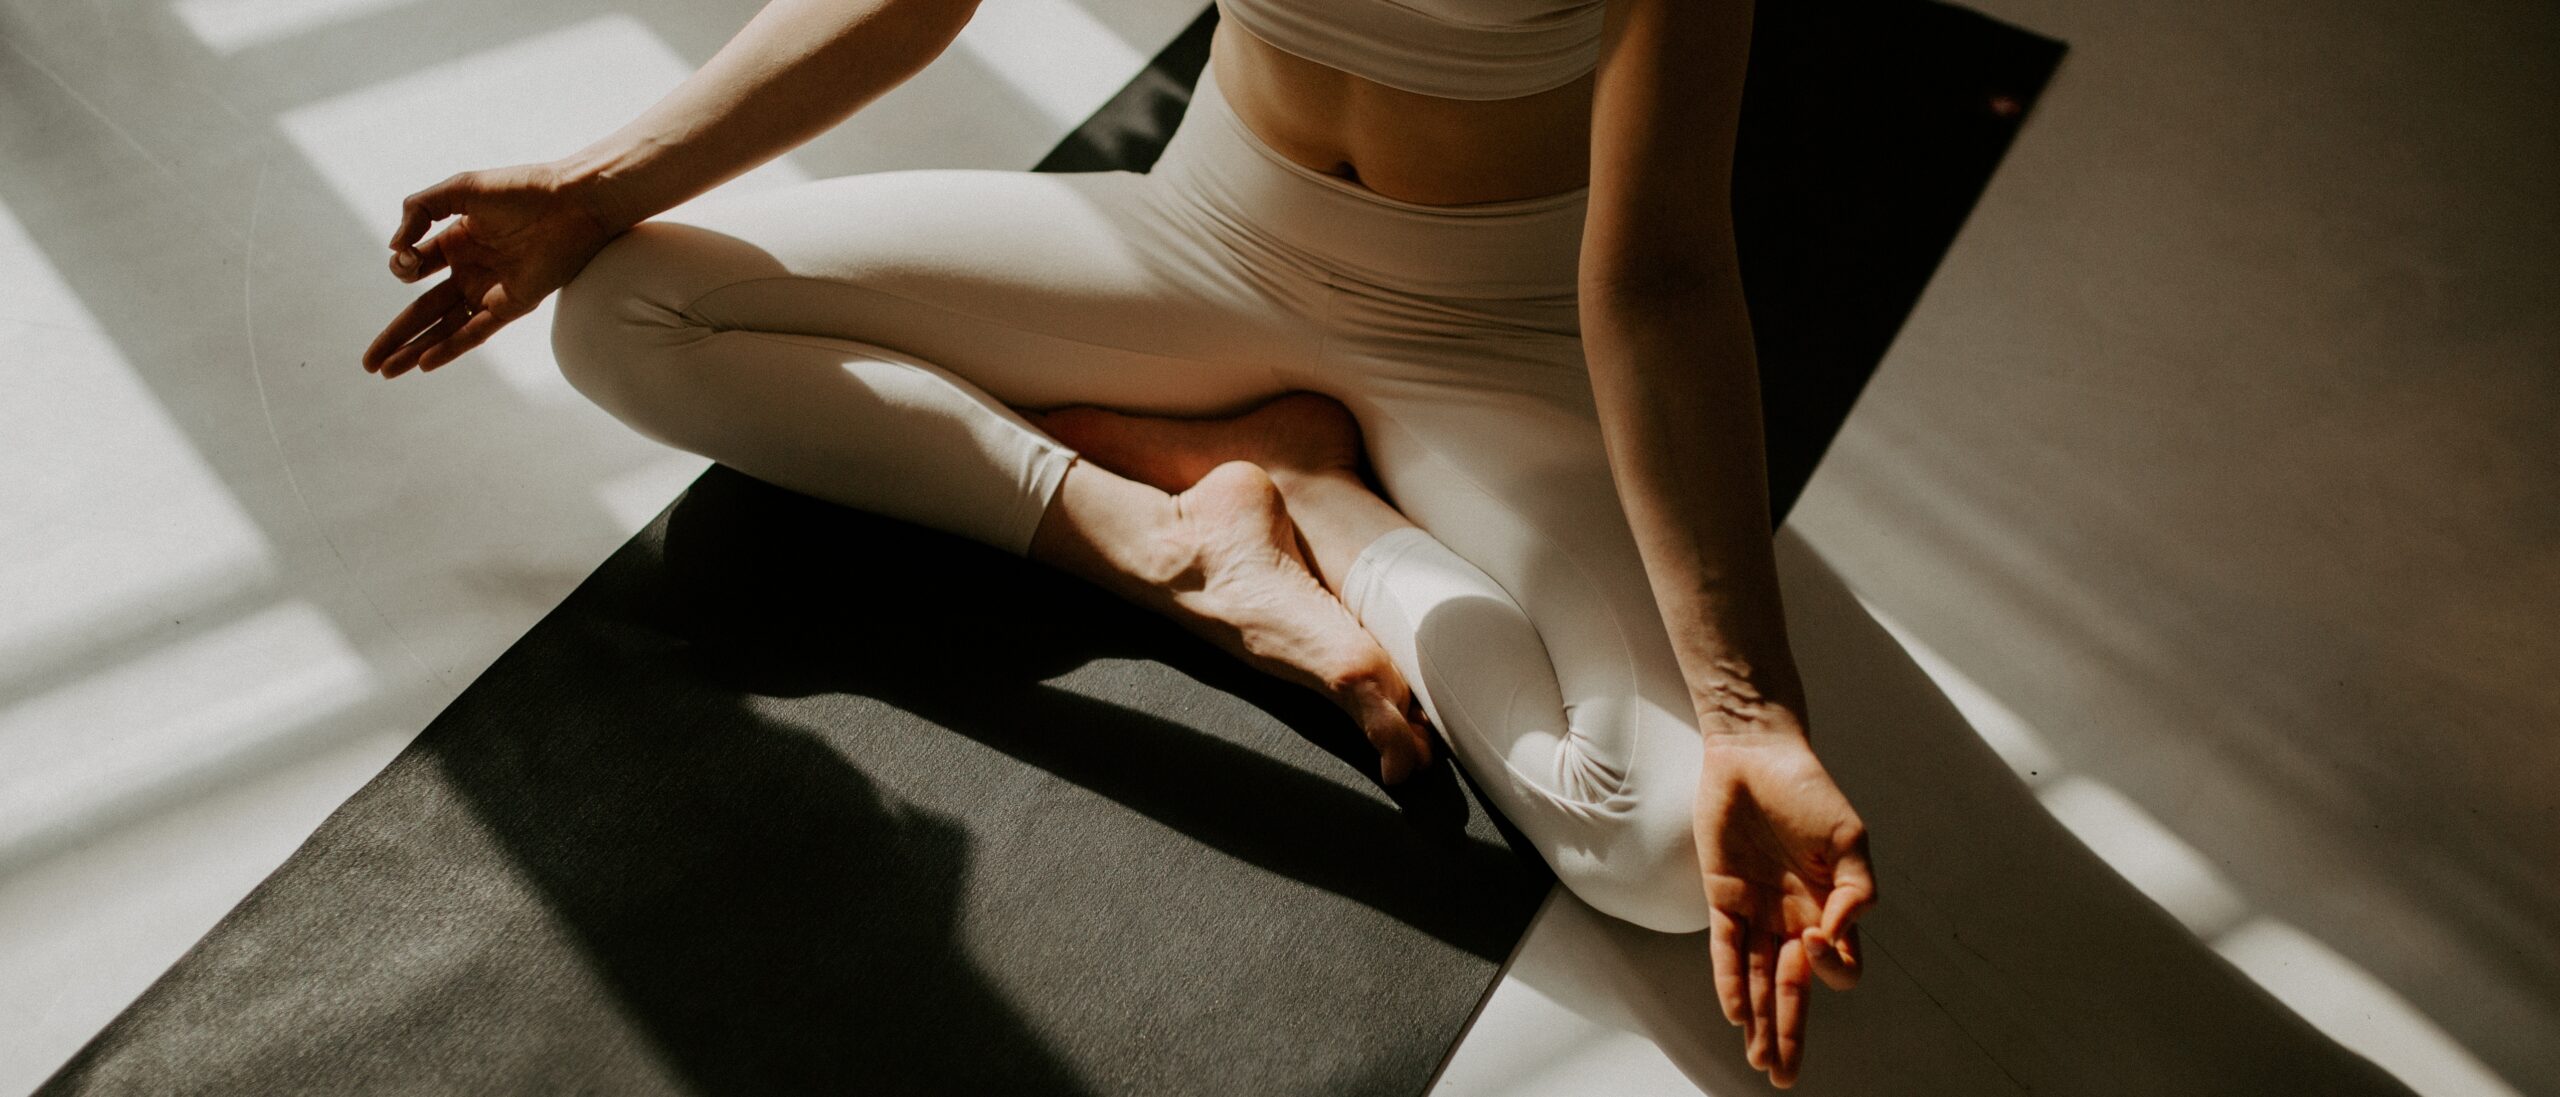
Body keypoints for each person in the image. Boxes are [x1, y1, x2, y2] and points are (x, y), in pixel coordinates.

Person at [360, 0, 1874, 1084]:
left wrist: (1749, 709)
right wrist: (592, 190)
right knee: (628, 314)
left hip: (1490, 334)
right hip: (1206, 237)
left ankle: (1320, 495)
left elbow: (1665, 271)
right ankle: (1160, 538)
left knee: (1657, 851)